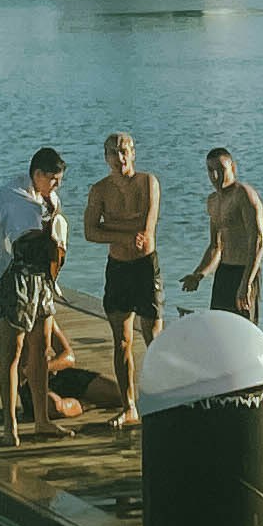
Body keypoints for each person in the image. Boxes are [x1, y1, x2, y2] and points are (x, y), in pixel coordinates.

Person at [0, 148, 69, 444]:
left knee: (42, 349)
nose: (57, 186)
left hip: (41, 280)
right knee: (12, 352)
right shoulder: (11, 197)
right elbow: (10, 238)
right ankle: (10, 425)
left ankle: (41, 421)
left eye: (59, 180)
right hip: (14, 277)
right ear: (37, 175)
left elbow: (54, 238)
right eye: (53, 180)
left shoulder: (47, 198)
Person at [82, 127, 161, 420]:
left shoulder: (147, 183)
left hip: (144, 267)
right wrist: (123, 237)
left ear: (133, 154)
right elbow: (89, 231)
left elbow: (146, 226)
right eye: (114, 153)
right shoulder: (100, 190)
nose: (120, 158)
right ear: (105, 158)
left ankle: (159, 399)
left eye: (124, 151)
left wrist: (112, 229)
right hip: (118, 268)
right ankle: (129, 406)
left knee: (153, 335)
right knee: (122, 341)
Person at [183, 147, 263, 320]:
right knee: (219, 328)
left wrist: (246, 283)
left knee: (243, 331)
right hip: (223, 273)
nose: (215, 176)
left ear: (233, 168)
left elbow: (258, 241)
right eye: (210, 170)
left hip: (244, 271)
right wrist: (199, 274)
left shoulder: (244, 195)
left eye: (220, 170)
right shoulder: (213, 201)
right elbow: (215, 246)